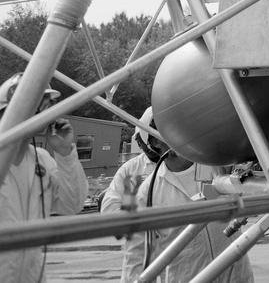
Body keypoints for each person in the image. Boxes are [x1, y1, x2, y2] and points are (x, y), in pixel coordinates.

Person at [101, 109, 253, 283]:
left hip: (236, 276)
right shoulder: (146, 188)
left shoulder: (217, 165)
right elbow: (136, 252)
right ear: (155, 143)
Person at [0, 72, 89, 283]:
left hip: (33, 276)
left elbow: (72, 206)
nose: (49, 112)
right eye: (42, 104)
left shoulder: (42, 160)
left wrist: (66, 154)